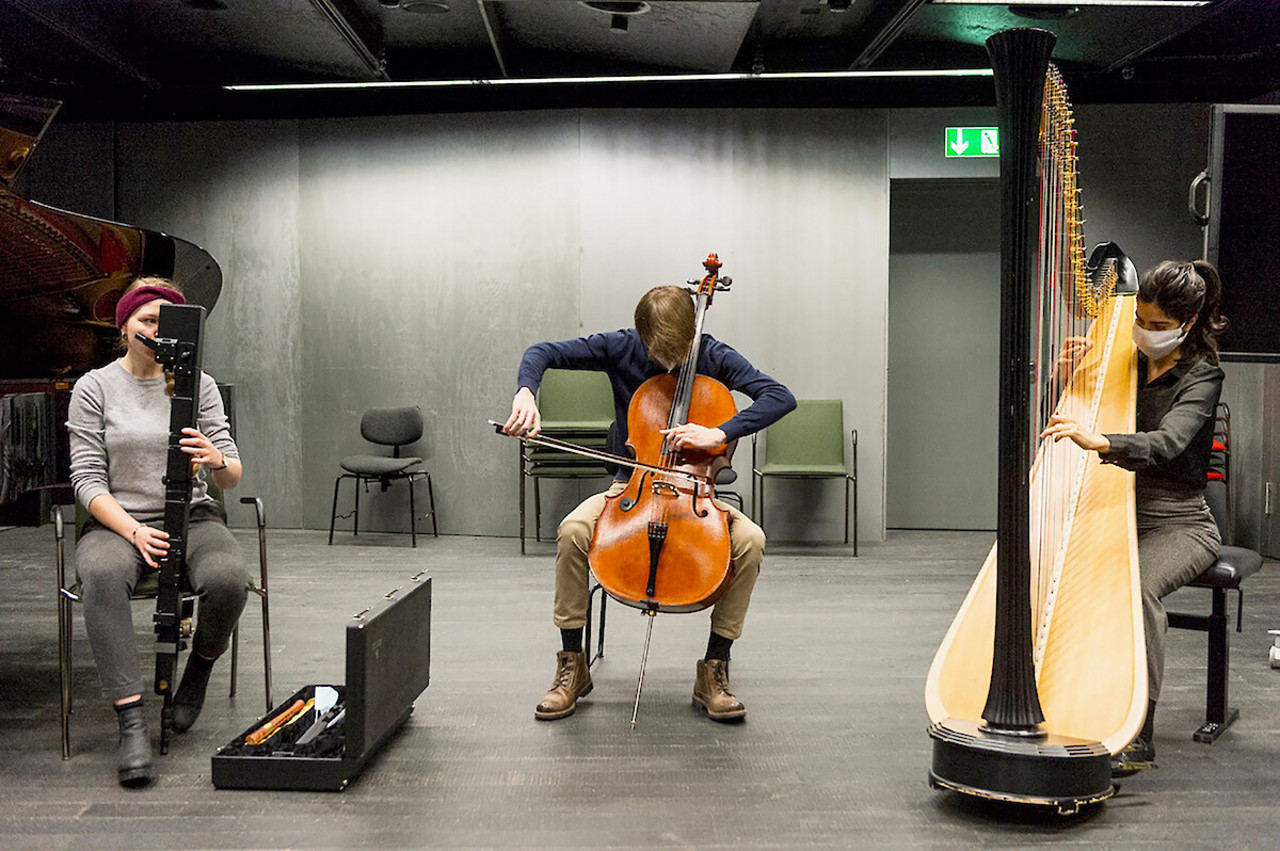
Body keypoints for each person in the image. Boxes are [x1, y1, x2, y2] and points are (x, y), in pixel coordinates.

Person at [503, 285, 796, 723]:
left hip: (694, 493)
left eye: (679, 352)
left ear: (691, 334)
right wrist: (526, 392)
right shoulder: (619, 346)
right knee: (572, 531)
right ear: (642, 337)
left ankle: (714, 668)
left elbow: (780, 397)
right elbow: (541, 352)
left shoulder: (713, 355)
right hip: (631, 488)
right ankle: (572, 665)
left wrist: (720, 432)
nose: (672, 364)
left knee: (751, 542)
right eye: (661, 354)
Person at [1041, 259, 1228, 775]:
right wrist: (1064, 377)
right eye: (1140, 320)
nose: (1145, 332)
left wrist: (1102, 441)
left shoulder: (1202, 376)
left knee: (1135, 589)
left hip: (1181, 523)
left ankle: (1137, 731)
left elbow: (1168, 442)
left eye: (1159, 325)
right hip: (1113, 508)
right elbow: (1063, 420)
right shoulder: (1120, 359)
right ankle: (1069, 699)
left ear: (1188, 323)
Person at [67, 278, 247, 787]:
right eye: (147, 320)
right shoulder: (94, 387)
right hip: (118, 520)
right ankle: (131, 723)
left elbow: (231, 475)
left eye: (168, 323)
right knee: (102, 574)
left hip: (192, 514)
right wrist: (133, 532)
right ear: (124, 327)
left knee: (229, 580)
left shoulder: (198, 384)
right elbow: (86, 480)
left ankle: (199, 671)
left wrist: (216, 460)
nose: (157, 330)